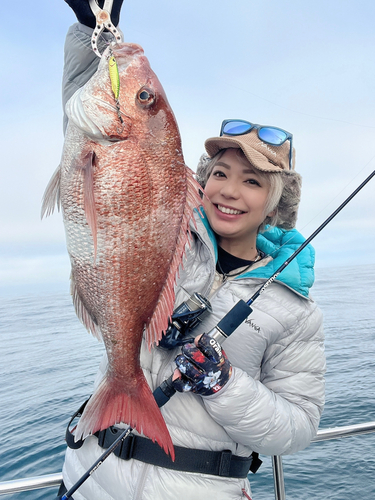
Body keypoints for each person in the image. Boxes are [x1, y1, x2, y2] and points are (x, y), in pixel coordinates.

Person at [58, 2, 325, 499]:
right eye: (219, 173)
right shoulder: (175, 244)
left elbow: (300, 427)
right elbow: (83, 95)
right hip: (91, 475)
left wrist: (224, 384)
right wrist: (90, 26)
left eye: (252, 181)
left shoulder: (294, 309)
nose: (229, 190)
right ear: (201, 184)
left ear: (276, 201)